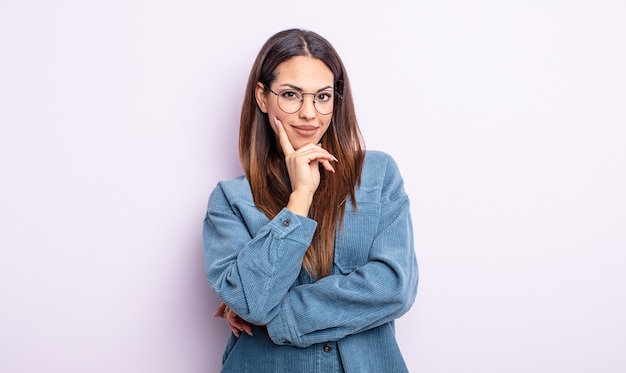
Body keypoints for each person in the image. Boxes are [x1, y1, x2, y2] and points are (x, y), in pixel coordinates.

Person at [203, 28, 418, 372]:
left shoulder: (377, 176)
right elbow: (251, 302)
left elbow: (394, 286)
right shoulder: (231, 201)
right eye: (291, 95)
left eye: (322, 96)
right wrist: (300, 197)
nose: (309, 113)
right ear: (262, 96)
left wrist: (274, 317)